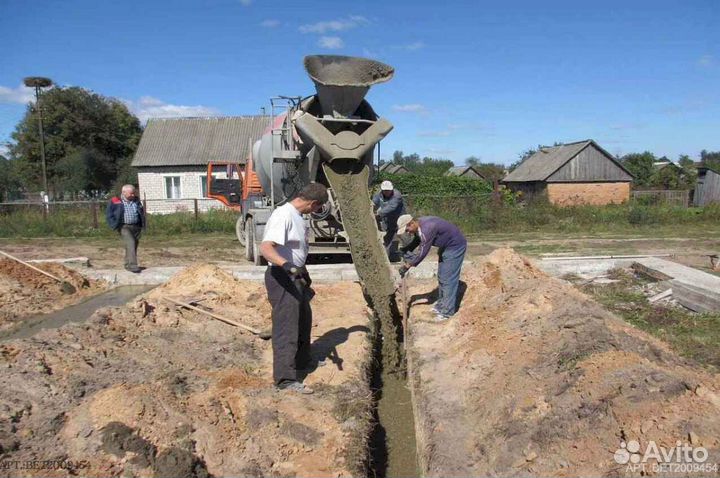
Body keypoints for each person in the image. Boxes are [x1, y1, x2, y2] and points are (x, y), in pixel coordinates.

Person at [260, 183, 329, 395]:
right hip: (282, 278)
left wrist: (302, 274)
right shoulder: (284, 215)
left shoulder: (297, 216)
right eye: (317, 208)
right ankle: (285, 380)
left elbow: (295, 250)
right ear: (313, 203)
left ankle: (302, 361)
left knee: (303, 320)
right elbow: (266, 248)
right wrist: (287, 266)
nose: (316, 212)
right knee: (286, 327)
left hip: (296, 276)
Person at [396, 214, 467, 322]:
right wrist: (407, 248)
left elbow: (422, 252)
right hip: (447, 246)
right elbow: (417, 240)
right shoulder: (420, 225)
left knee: (448, 279)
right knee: (442, 276)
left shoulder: (427, 229)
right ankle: (441, 306)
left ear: (411, 223)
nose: (408, 232)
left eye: (407, 229)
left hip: (454, 247)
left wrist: (407, 266)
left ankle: (447, 312)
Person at [106, 184, 145, 273]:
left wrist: (142, 224)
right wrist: (114, 224)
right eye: (131, 193)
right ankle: (133, 265)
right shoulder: (115, 200)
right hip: (124, 227)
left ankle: (127, 264)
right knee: (130, 242)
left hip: (136, 227)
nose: (133, 195)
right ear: (124, 192)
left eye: (134, 193)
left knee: (133, 245)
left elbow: (141, 212)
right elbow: (109, 214)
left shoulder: (136, 200)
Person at [371, 180, 406, 258]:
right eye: (385, 190)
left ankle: (409, 259)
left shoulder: (397, 195)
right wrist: (370, 208)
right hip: (388, 221)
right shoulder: (379, 195)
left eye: (388, 190)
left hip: (400, 220)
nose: (387, 192)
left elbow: (391, 207)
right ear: (382, 190)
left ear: (392, 189)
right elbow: (373, 202)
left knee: (405, 238)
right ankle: (386, 259)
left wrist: (378, 214)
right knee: (386, 240)